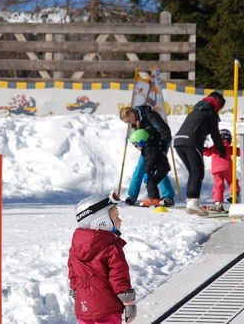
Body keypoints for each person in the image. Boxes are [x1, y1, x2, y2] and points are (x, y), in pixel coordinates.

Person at [68, 192, 137, 324]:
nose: (120, 220)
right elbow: (119, 277)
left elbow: (73, 275)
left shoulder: (75, 246)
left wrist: (75, 292)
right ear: (101, 222)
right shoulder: (111, 247)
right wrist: (129, 303)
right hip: (108, 310)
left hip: (84, 309)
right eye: (116, 216)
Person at [173, 91, 226, 215]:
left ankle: (190, 202)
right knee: (197, 171)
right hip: (191, 142)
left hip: (179, 141)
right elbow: (215, 133)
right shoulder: (210, 112)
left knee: (193, 171)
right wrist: (221, 149)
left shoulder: (197, 109)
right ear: (218, 103)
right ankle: (193, 202)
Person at [120, 105, 175, 207]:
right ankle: (132, 195)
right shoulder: (136, 122)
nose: (129, 123)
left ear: (132, 114)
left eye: (128, 121)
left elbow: (165, 131)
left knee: (159, 167)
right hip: (149, 146)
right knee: (140, 167)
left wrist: (162, 149)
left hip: (161, 144)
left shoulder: (150, 115)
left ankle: (168, 196)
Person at [203, 129, 244, 211]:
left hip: (216, 170)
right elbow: (239, 151)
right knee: (232, 181)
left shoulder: (213, 147)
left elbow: (206, 152)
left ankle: (218, 203)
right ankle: (233, 193)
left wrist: (200, 147)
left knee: (218, 186)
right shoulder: (229, 147)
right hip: (227, 168)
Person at [128, 129, 170, 206]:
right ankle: (155, 199)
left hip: (161, 167)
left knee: (150, 181)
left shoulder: (149, 149)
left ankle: (154, 199)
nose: (136, 148)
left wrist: (147, 172)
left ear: (141, 142)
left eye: (136, 145)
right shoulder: (148, 148)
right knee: (151, 181)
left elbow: (150, 162)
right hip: (160, 167)